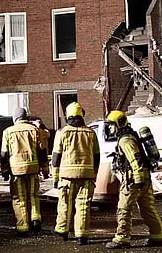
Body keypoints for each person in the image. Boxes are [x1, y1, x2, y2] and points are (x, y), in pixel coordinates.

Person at [105, 110, 162, 249]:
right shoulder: (132, 136)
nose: (110, 128)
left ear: (119, 124)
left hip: (133, 180)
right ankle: (157, 235)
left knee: (123, 209)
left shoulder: (125, 140)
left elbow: (135, 159)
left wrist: (137, 179)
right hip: (144, 177)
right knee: (148, 209)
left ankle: (122, 238)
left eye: (112, 125)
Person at [51, 102, 100, 246]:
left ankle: (62, 230)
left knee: (65, 203)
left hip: (67, 176)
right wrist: (94, 174)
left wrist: (55, 177)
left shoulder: (62, 132)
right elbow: (97, 156)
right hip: (87, 175)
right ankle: (82, 235)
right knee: (83, 205)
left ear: (68, 115)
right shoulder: (91, 132)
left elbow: (56, 157)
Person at [0, 107, 49, 237]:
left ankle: (22, 227)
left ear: (14, 118)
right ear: (26, 117)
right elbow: (42, 151)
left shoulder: (8, 132)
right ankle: (35, 220)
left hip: (16, 171)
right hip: (33, 169)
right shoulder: (35, 130)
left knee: (19, 198)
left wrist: (4, 171)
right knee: (34, 195)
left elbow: (4, 154)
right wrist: (45, 169)